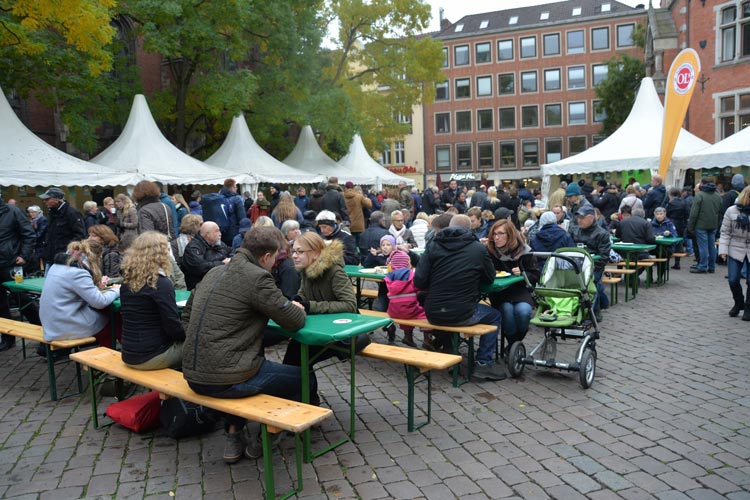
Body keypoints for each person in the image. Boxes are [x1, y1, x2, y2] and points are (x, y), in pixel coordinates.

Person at [181, 225, 308, 464]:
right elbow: (294, 320)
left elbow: (186, 318)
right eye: (276, 258)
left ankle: (234, 434)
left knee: (246, 365)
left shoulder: (214, 272)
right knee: (303, 378)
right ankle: (270, 435)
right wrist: (297, 307)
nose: (276, 264)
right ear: (266, 256)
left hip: (192, 372)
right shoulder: (257, 277)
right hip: (226, 378)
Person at [414, 214, 506, 381]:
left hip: (433, 311)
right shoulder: (477, 248)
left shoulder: (434, 245)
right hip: (461, 311)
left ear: (449, 226)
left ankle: (449, 349)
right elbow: (489, 278)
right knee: (495, 316)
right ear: (469, 228)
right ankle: (483, 363)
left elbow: (419, 281)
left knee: (442, 311)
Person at [286, 231, 357, 398]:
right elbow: (304, 294)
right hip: (319, 330)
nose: (295, 256)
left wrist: (310, 306)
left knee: (298, 357)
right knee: (296, 354)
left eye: (300, 252)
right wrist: (297, 300)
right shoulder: (306, 269)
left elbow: (350, 305)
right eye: (293, 251)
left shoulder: (334, 272)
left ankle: (307, 403)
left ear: (316, 253)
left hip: (342, 334)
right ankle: (307, 401)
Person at [120, 232, 185, 369]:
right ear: (159, 253)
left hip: (129, 353)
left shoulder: (127, 282)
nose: (168, 252)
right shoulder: (160, 283)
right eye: (166, 249)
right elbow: (173, 327)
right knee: (199, 345)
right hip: (153, 355)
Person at [39, 240, 120, 348]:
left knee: (109, 316)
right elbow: (99, 302)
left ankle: (106, 357)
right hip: (63, 327)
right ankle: (110, 358)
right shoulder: (78, 272)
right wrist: (116, 290)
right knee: (114, 319)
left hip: (51, 325)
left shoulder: (57, 266)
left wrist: (96, 286)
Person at [485, 218, 539, 348]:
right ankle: (515, 346)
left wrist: (523, 273)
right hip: (500, 292)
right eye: (494, 234)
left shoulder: (524, 251)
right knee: (507, 310)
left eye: (500, 234)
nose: (496, 238)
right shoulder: (490, 251)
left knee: (523, 312)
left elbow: (536, 275)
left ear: (510, 235)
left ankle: (515, 344)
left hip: (521, 290)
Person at [0, 195, 39, 351]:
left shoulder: (12, 211)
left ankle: (41, 330)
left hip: (11, 263)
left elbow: (29, 234)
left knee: (22, 298)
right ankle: (7, 338)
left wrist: (24, 255)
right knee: (0, 305)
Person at [570, 205, 611, 321]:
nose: (579, 220)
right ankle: (596, 309)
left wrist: (591, 266)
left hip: (594, 267)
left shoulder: (602, 233)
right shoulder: (575, 230)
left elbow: (604, 256)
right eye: (578, 217)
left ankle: (591, 312)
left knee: (592, 285)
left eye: (582, 218)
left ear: (591, 218)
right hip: (576, 266)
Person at [719, 186, 750, 320]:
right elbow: (725, 232)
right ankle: (739, 302)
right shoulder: (731, 210)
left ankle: (748, 307)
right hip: (735, 247)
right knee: (733, 279)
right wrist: (723, 251)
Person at [40, 187, 86, 272]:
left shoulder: (72, 213)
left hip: (65, 258)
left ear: (57, 200)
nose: (44, 201)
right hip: (51, 257)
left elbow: (80, 235)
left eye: (47, 199)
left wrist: (68, 252)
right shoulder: (52, 212)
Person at [384, 247, 422, 347]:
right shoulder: (412, 275)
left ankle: (408, 336)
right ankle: (427, 339)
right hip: (410, 311)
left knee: (402, 308)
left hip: (393, 312)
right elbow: (419, 289)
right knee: (422, 313)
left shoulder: (389, 277)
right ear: (407, 263)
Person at [181, 221, 233, 290]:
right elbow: (201, 268)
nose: (220, 234)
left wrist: (231, 259)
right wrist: (222, 263)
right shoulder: (193, 248)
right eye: (216, 231)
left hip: (219, 282)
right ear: (207, 234)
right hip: (199, 287)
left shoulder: (218, 243)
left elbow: (231, 251)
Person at [132, 180, 177, 255]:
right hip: (168, 247)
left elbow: (147, 237)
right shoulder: (165, 206)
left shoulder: (144, 210)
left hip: (154, 252)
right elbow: (171, 230)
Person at [688, 177, 722, 274]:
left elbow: (694, 213)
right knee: (712, 246)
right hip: (713, 224)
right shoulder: (718, 195)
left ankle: (702, 266)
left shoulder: (700, 195)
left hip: (701, 224)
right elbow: (720, 211)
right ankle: (712, 266)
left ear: (702, 184)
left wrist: (690, 226)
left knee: (703, 246)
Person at [666, 187, 688, 269]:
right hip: (681, 224)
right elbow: (687, 213)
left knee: (668, 242)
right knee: (679, 242)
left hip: (671, 223)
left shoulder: (670, 203)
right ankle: (677, 262)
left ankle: (666, 262)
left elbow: (666, 213)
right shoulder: (684, 202)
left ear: (670, 194)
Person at [26, 205, 47, 273]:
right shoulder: (33, 220)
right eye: (30, 212)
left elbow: (41, 232)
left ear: (38, 212)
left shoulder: (42, 219)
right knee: (36, 261)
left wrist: (31, 238)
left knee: (43, 260)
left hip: (42, 244)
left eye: (33, 212)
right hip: (36, 244)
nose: (31, 214)